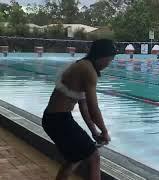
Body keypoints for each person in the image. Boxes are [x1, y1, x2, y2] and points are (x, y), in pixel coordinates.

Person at [42, 39, 116, 180]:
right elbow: (94, 108)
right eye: (110, 60)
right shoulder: (88, 71)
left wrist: (94, 131)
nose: (108, 64)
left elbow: (84, 107)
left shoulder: (82, 65)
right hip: (59, 120)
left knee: (74, 159)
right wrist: (105, 131)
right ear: (102, 56)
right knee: (94, 157)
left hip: (54, 119)